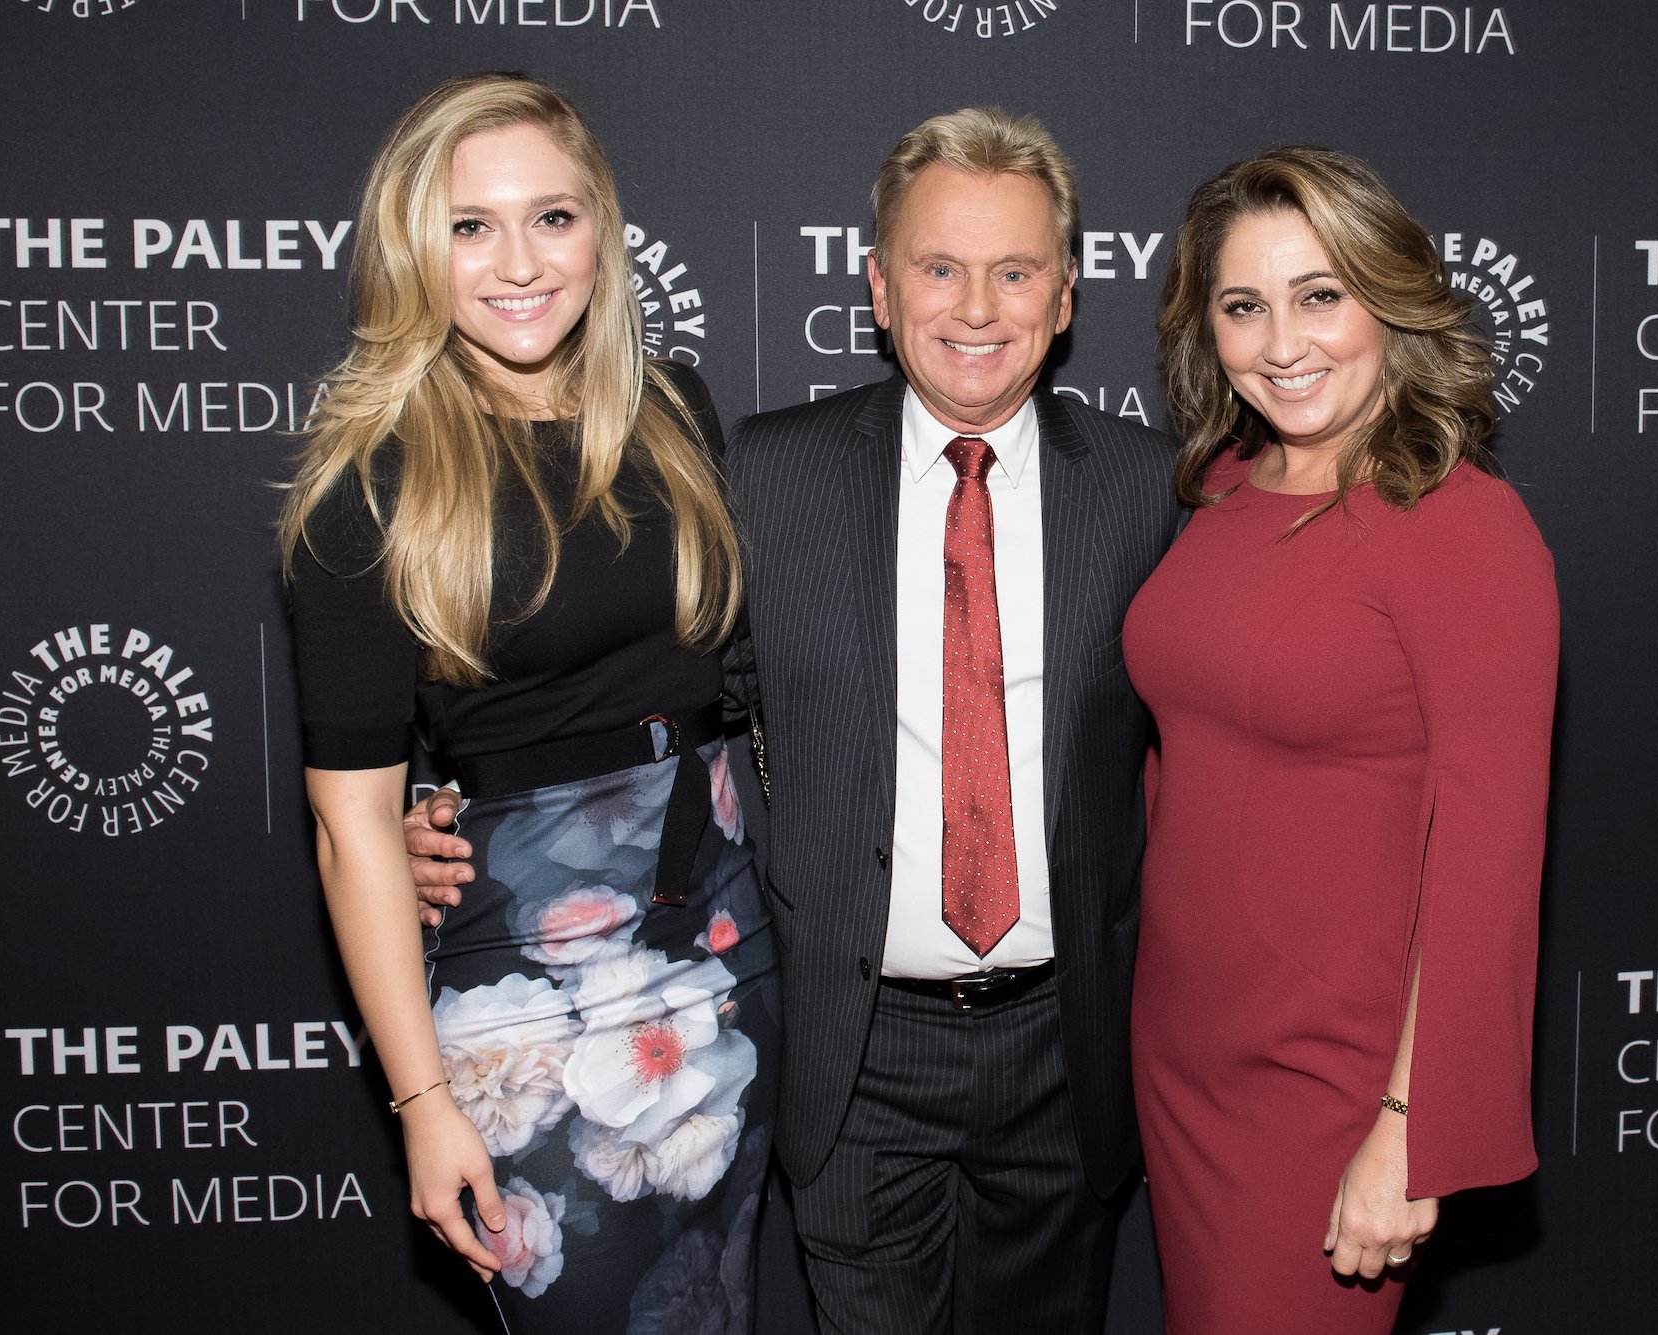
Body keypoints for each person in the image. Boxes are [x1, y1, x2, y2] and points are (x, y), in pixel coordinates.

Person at [409, 107, 1181, 1335]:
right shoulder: (765, 475)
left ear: (1068, 291)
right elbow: (648, 690)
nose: (975, 306)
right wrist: (458, 804)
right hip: (850, 1048)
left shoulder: (1150, 489)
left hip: (1065, 1046)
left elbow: (1229, 726)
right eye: (937, 267)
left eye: (1014, 270)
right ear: (879, 285)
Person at [281, 73, 778, 1331]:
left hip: (727, 947)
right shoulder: (369, 485)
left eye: (551, 218)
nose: (518, 262)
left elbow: (732, 678)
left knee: (715, 1307)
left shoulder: (671, 414)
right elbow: (351, 829)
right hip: (527, 1001)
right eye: (470, 226)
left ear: (599, 231)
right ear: (415, 250)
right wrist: (423, 1104)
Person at [1123, 146, 1558, 1334]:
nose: (1281, 342)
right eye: (1241, 305)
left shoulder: (1461, 525)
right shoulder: (1220, 489)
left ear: (1388, 300)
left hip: (1332, 1080)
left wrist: (1409, 1132)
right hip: (1179, 1048)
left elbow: (1489, 856)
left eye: (1320, 295)